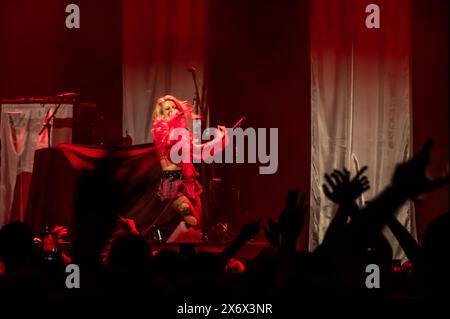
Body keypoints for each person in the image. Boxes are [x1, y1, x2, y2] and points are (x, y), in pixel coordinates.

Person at [151, 95, 228, 242]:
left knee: (196, 226)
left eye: (174, 107)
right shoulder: (162, 135)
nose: (172, 110)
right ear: (162, 114)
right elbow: (163, 163)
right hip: (174, 185)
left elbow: (200, 152)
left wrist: (218, 140)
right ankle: (166, 252)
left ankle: (172, 250)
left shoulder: (184, 134)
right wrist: (171, 188)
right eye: (168, 108)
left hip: (191, 184)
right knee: (190, 218)